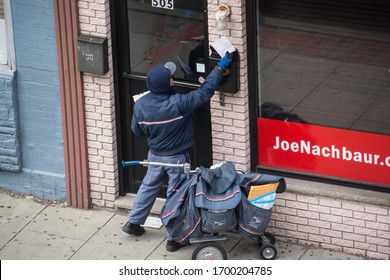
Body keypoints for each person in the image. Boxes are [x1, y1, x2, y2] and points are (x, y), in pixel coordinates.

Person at [122, 52, 233, 252]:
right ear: (166, 84)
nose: (173, 79)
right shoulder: (178, 103)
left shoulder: (140, 105)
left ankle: (133, 222)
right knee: (176, 196)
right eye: (170, 77)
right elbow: (205, 92)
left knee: (148, 187)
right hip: (177, 159)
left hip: (155, 156)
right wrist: (218, 68)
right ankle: (174, 238)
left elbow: (136, 130)